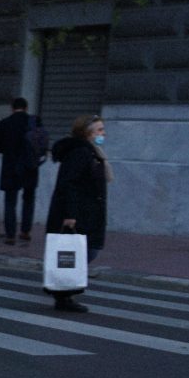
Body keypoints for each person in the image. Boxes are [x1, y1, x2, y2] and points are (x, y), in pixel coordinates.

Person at [43, 114, 111, 313]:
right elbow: (69, 184)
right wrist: (70, 214)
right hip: (79, 212)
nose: (103, 133)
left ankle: (63, 293)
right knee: (81, 252)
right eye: (99, 130)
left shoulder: (92, 152)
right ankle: (63, 295)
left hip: (88, 211)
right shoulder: (81, 152)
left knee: (85, 251)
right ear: (88, 132)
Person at [0, 97, 45, 245]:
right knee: (28, 199)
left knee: (10, 202)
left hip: (11, 167)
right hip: (30, 166)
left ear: (12, 108)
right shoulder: (35, 122)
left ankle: (10, 234)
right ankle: (25, 231)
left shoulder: (4, 123)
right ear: (26, 108)